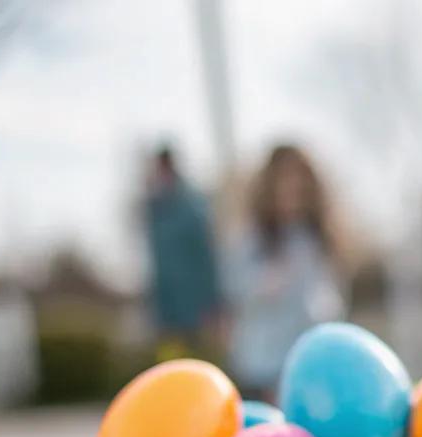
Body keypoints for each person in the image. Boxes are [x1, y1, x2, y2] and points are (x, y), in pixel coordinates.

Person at [223, 144, 347, 400]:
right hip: (261, 364)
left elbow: (330, 297)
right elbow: (233, 288)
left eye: (297, 183)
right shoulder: (252, 239)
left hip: (309, 359)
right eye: (284, 182)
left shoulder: (316, 239)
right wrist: (263, 285)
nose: (291, 191)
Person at [143, 145, 222, 357]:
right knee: (168, 364)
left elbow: (206, 256)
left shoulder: (193, 205)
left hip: (193, 305)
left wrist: (213, 301)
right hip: (165, 307)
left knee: (198, 360)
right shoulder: (155, 207)